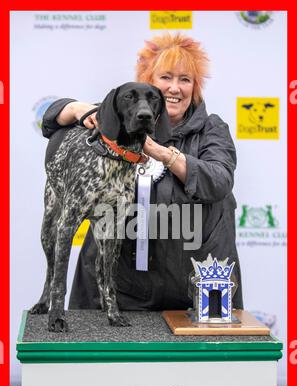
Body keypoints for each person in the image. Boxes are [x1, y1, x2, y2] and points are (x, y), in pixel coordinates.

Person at [42, 32, 243, 312]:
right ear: (148, 82)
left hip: (189, 291)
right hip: (117, 292)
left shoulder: (212, 129)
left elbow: (219, 182)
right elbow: (51, 123)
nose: (175, 88)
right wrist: (75, 108)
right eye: (166, 77)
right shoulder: (112, 123)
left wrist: (160, 152)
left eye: (185, 79)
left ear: (195, 87)